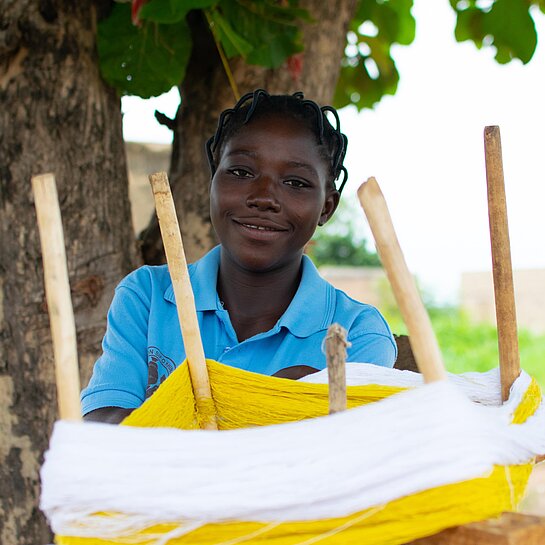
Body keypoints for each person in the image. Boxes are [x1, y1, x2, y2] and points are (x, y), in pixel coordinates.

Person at [82, 89, 397, 423]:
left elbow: (349, 464)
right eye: (241, 173)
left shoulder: (357, 333)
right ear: (213, 181)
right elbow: (103, 432)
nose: (263, 197)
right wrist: (261, 408)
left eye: (295, 182)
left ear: (326, 207)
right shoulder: (149, 296)